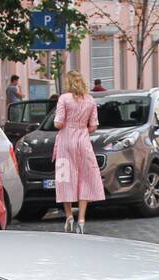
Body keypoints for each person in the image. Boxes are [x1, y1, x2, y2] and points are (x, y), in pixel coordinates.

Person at [53, 70, 105, 233]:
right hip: (83, 142)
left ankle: (69, 216)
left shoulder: (64, 99)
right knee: (85, 178)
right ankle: (81, 220)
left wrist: (66, 124)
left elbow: (58, 123)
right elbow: (94, 126)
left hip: (65, 142)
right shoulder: (90, 100)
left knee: (64, 177)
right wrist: (82, 129)